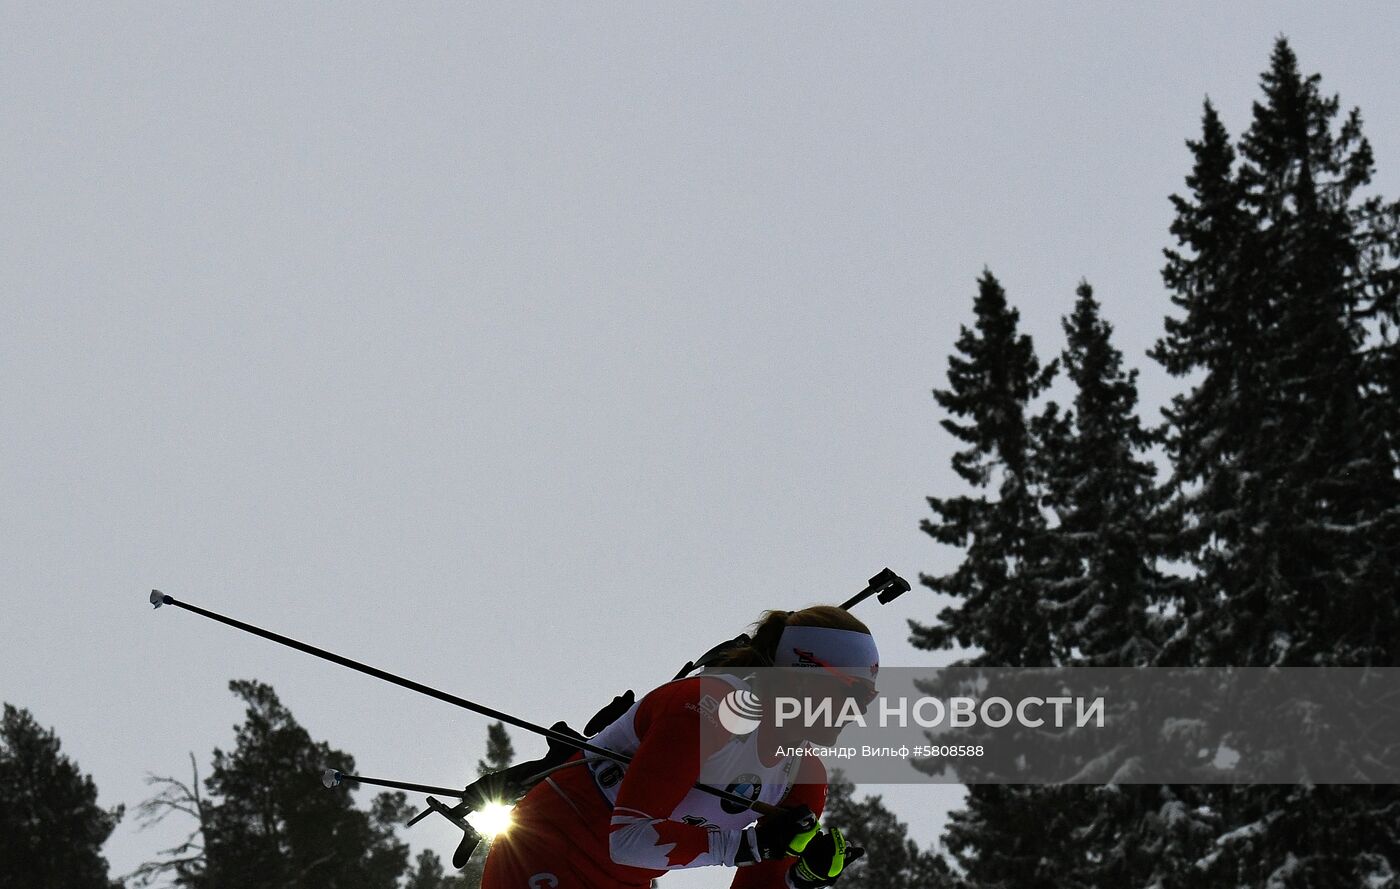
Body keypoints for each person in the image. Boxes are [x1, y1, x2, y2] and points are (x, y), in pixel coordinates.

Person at [480, 605, 878, 889]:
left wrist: (799, 878)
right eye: (853, 692)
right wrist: (748, 845)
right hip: (549, 850)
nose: (857, 712)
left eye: (868, 698)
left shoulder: (805, 775)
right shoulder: (709, 708)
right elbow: (629, 839)